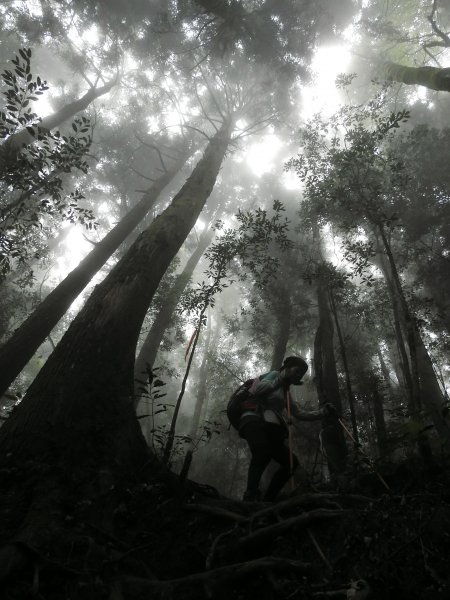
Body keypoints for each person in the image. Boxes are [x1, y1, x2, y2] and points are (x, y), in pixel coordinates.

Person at [239, 355, 333, 501]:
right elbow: (259, 389)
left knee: (290, 463)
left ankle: (268, 500)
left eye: (302, 373)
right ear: (288, 368)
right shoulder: (275, 375)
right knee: (261, 453)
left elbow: (299, 413)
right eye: (297, 371)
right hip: (252, 419)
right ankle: (250, 495)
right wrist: (280, 379)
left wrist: (323, 413)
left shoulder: (285, 392)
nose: (299, 375)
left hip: (268, 427)